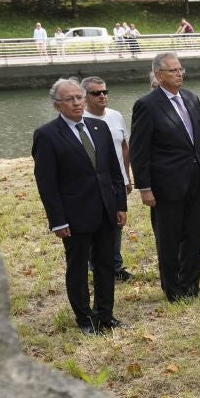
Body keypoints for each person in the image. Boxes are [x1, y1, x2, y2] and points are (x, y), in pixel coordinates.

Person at [32, 79, 128, 334]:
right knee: (77, 268)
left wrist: (120, 204)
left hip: (106, 209)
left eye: (79, 97)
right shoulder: (47, 135)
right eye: (70, 99)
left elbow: (113, 171)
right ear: (57, 105)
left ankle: (105, 314)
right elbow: (47, 184)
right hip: (75, 215)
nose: (77, 103)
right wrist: (58, 220)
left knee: (106, 264)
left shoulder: (99, 127)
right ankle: (84, 318)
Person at [130, 51, 200, 302]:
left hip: (197, 179)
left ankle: (191, 284)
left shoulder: (191, 98)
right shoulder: (147, 104)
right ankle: (173, 289)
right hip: (167, 183)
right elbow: (139, 149)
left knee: (195, 234)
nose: (179, 73)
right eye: (173, 70)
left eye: (180, 69)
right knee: (169, 238)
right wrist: (144, 187)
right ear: (158, 75)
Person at [81, 76, 134, 282]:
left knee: (117, 222)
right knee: (95, 224)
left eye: (105, 92)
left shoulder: (115, 116)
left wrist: (126, 176)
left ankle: (115, 265)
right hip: (94, 184)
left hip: (117, 181)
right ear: (85, 97)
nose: (102, 96)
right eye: (96, 93)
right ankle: (96, 266)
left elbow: (124, 147)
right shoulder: (82, 120)